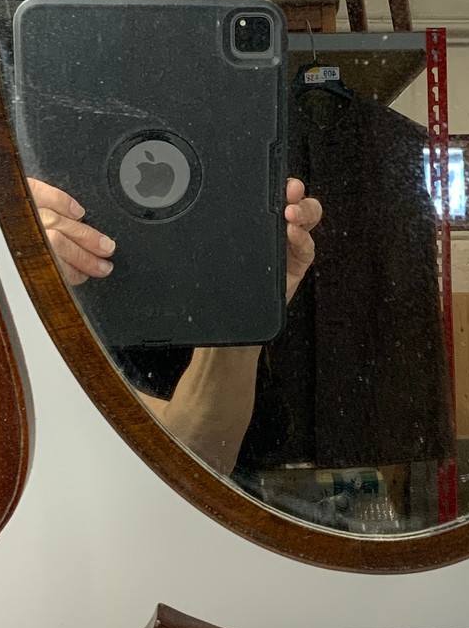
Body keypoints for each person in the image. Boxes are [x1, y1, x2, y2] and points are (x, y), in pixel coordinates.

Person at [26, 175, 322, 476]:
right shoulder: (15, 215)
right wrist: (13, 264)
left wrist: (246, 300)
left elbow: (197, 467)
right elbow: (184, 468)